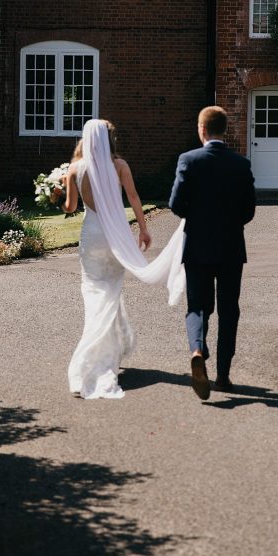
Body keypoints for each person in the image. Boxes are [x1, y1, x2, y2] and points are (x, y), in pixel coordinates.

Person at [52, 119, 185, 400]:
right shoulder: (120, 166)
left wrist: (58, 196)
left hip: (92, 235)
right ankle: (105, 355)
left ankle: (94, 358)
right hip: (115, 236)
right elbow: (134, 197)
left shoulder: (75, 168)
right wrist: (145, 228)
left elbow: (71, 207)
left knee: (94, 293)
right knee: (110, 293)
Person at [169, 106, 256, 401]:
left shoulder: (188, 160)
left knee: (198, 307)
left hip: (197, 246)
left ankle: (197, 349)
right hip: (231, 247)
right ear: (225, 129)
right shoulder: (241, 164)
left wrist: (197, 218)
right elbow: (249, 211)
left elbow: (176, 204)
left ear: (202, 129)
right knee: (229, 309)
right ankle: (224, 375)